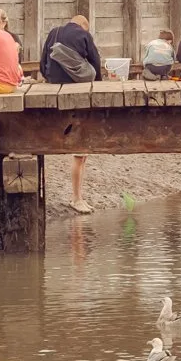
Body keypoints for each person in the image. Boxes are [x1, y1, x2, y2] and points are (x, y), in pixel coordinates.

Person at [39, 14, 105, 214]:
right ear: (84, 26)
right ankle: (76, 198)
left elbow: (43, 62)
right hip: (77, 91)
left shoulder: (54, 32)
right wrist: (99, 84)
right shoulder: (84, 35)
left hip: (54, 90)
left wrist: (50, 79)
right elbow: (95, 62)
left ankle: (75, 197)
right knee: (80, 147)